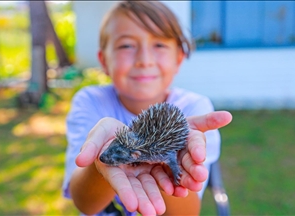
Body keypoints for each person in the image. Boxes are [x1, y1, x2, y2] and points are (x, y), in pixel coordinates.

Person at [63, 1, 232, 215]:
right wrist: (99, 167)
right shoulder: (89, 101)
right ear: (103, 61)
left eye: (159, 45)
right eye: (126, 45)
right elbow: (84, 204)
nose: (144, 60)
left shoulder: (195, 107)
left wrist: (173, 175)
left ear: (179, 58)